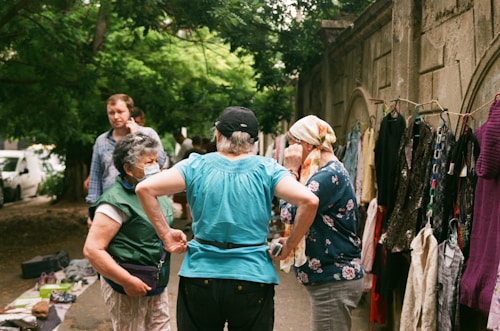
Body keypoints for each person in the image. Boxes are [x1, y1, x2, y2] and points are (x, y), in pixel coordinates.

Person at [136, 106, 319, 331]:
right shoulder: (267, 169)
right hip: (252, 277)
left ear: (218, 135)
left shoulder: (196, 165)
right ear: (254, 141)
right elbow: (309, 201)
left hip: (200, 276)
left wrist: (165, 234)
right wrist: (289, 245)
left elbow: (144, 189)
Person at [83, 132, 187, 331]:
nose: (155, 166)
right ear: (128, 168)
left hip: (155, 280)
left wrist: (168, 233)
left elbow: (149, 224)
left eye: (156, 160)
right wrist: (127, 281)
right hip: (127, 285)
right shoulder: (115, 202)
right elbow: (92, 250)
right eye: (148, 162)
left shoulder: (154, 190)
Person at [279, 115, 364, 331]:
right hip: (332, 279)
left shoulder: (326, 176)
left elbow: (288, 212)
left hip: (332, 280)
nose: (289, 150)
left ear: (307, 144)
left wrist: (289, 170)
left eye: (292, 143)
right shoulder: (327, 172)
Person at [86, 94, 167, 207]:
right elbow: (95, 175)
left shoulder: (148, 133)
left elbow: (161, 162)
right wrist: (93, 208)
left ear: (130, 112)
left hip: (142, 202)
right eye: (111, 113)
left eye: (120, 111)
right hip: (110, 202)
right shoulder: (101, 140)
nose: (116, 117)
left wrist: (136, 136)